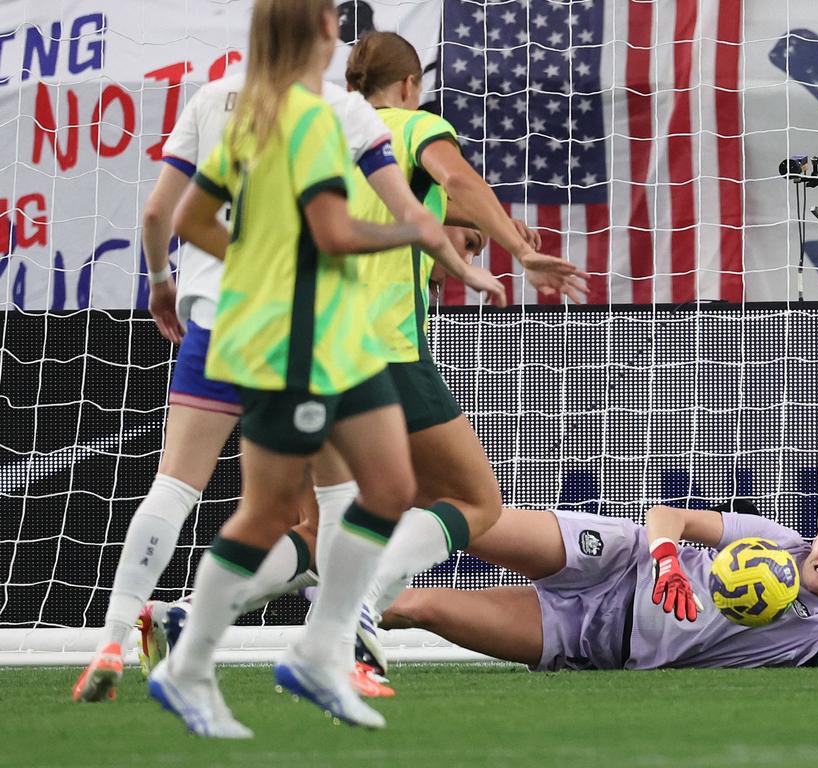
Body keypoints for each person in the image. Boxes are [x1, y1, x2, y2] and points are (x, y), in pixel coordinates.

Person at [70, 7, 503, 708]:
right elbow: (407, 218)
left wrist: (160, 285)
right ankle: (336, 654)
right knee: (342, 501)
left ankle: (115, 639)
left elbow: (161, 216)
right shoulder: (338, 113)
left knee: (176, 489)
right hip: (306, 332)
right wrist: (464, 262)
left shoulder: (216, 100)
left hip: (219, 322)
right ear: (328, 40)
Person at [334, 31, 589, 643]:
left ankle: (184, 613)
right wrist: (518, 249)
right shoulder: (414, 124)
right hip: (384, 343)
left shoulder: (325, 134)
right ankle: (359, 605)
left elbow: (403, 208)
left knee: (340, 516)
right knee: (478, 502)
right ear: (409, 86)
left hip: (307, 344)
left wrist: (475, 227)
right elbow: (458, 182)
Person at [381, 504, 818, 670]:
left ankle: (325, 591)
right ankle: (334, 524)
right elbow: (670, 516)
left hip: (593, 639)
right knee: (474, 520)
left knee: (417, 606)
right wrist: (666, 563)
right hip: (616, 560)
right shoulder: (775, 541)